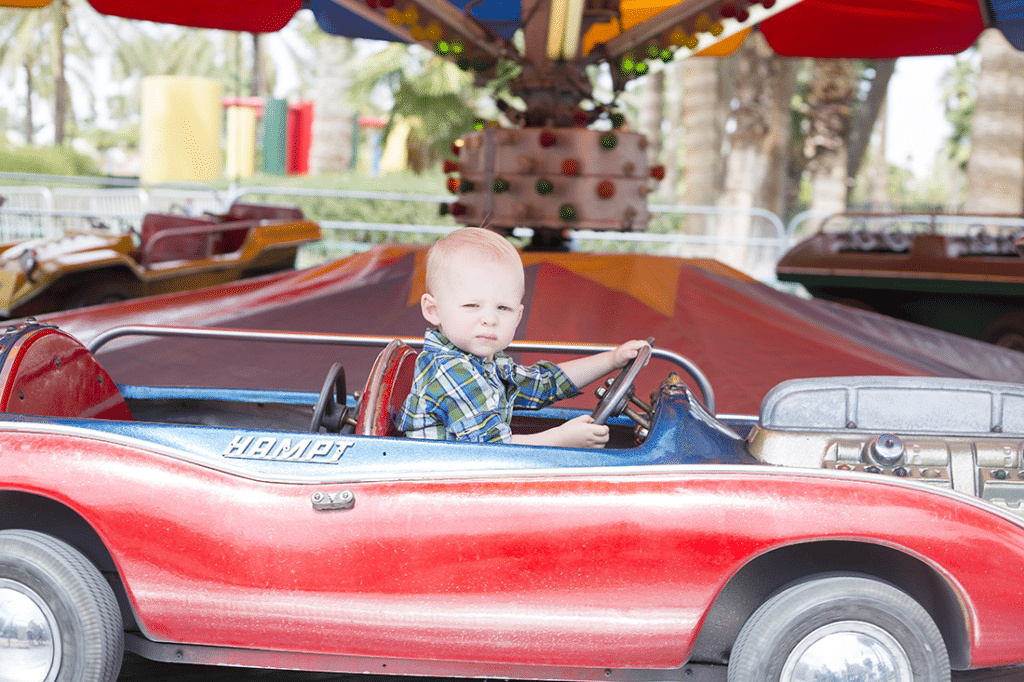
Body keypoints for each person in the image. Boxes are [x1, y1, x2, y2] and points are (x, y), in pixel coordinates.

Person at [395, 227, 649, 448]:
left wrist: (612, 360)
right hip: (445, 486)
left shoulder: (487, 363)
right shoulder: (451, 370)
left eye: (503, 308)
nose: (490, 319)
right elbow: (491, 448)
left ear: (517, 316)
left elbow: (545, 384)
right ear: (433, 310)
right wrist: (561, 438)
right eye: (472, 305)